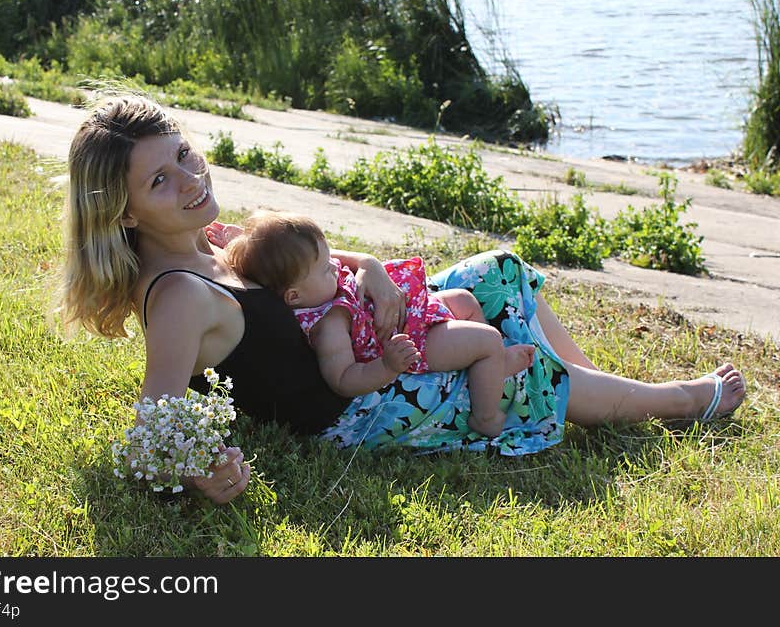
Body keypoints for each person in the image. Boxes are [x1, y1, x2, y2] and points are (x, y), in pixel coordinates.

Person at [58, 93, 747, 505]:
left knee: (500, 269)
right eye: (159, 180)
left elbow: (305, 266)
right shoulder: (178, 293)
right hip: (363, 401)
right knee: (516, 360)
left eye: (182, 153)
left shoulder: (205, 239)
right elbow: (154, 416)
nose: (189, 178)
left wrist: (376, 271)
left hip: (366, 332)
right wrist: (202, 473)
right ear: (122, 214)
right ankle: (675, 401)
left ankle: (600, 388)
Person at [215, 211, 535, 438]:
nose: (334, 266)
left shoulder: (317, 288)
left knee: (463, 300)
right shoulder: (329, 327)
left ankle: (485, 371)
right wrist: (387, 365)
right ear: (294, 296)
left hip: (415, 315)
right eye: (325, 268)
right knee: (488, 341)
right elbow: (343, 379)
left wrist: (237, 239)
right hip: (414, 341)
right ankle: (486, 415)